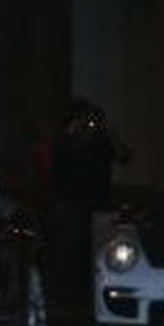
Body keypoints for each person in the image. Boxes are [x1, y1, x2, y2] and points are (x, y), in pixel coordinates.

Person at [46, 97, 133, 289]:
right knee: (69, 251)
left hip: (99, 202)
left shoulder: (102, 140)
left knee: (99, 250)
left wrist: (111, 134)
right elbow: (59, 157)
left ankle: (95, 288)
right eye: (84, 119)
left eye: (93, 120)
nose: (89, 124)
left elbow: (125, 156)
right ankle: (66, 291)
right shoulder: (64, 139)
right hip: (70, 202)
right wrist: (76, 132)